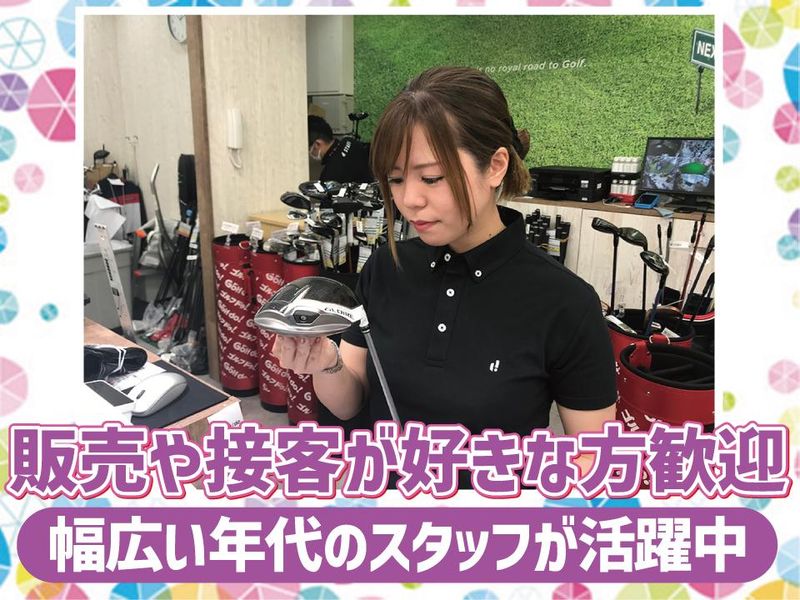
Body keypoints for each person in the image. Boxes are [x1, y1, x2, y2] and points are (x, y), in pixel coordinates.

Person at [278, 67, 617, 477]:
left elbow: (593, 459)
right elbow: (351, 403)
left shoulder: (566, 303)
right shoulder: (386, 267)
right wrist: (326, 363)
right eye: (395, 179)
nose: (409, 200)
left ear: (495, 166)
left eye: (432, 177)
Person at [308, 115, 373, 184]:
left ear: (317, 144)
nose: (309, 152)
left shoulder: (329, 177)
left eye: (308, 148)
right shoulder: (349, 141)